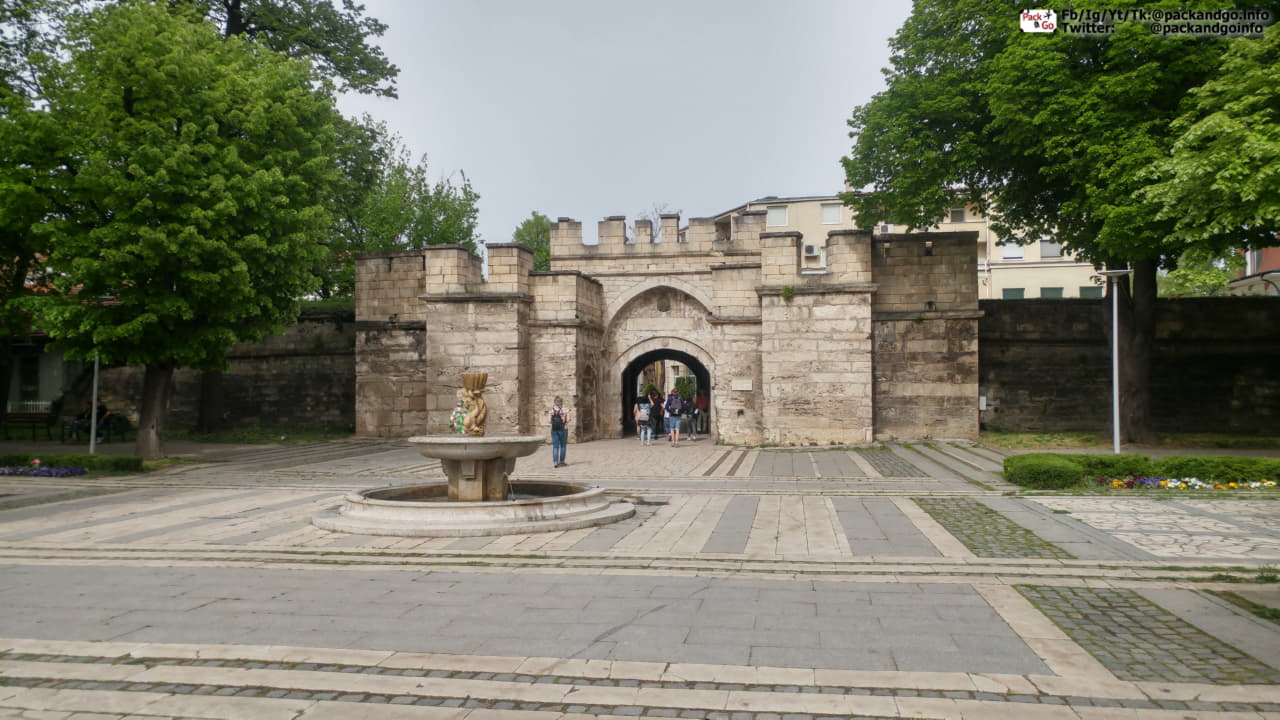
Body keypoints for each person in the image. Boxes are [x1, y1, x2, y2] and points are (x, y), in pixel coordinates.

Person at [549, 396, 570, 468]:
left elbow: (549, 421)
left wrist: (555, 421)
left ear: (555, 402)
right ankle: (562, 462)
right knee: (563, 446)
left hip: (554, 430)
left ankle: (555, 462)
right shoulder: (566, 410)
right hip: (563, 429)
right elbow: (567, 420)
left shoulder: (551, 410)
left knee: (555, 446)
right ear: (562, 402)